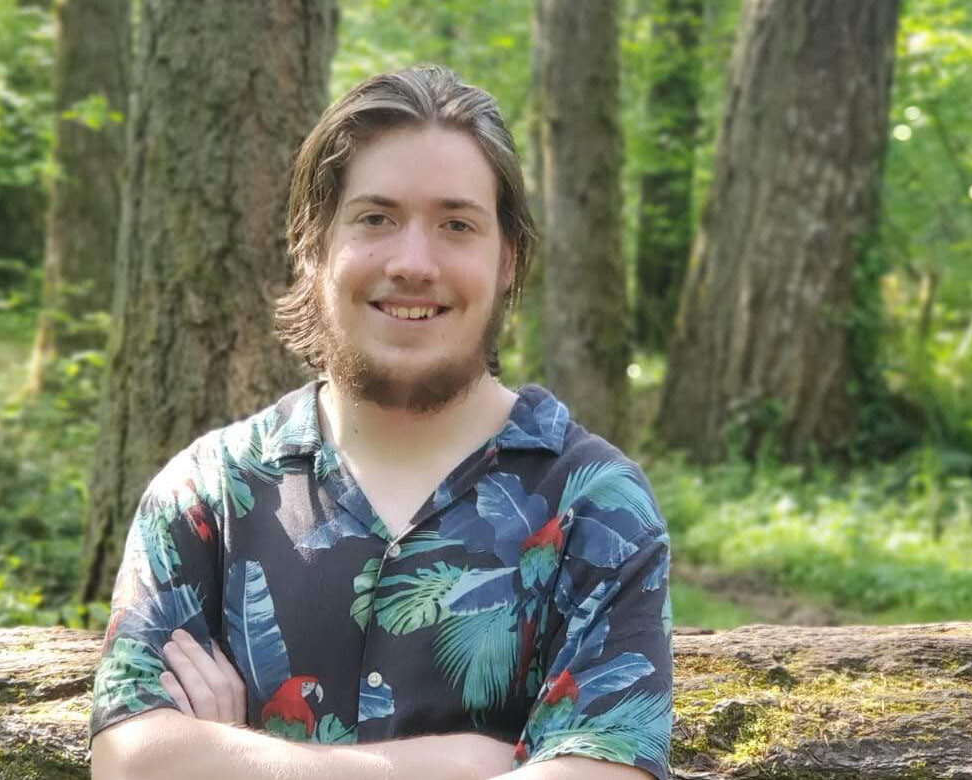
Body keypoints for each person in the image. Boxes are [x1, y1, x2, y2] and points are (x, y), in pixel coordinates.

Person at [88, 65, 672, 780]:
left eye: (457, 225)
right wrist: (459, 764)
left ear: (508, 260)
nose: (413, 262)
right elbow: (133, 761)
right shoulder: (209, 495)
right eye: (376, 219)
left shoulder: (595, 504)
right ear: (313, 244)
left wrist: (236, 755)